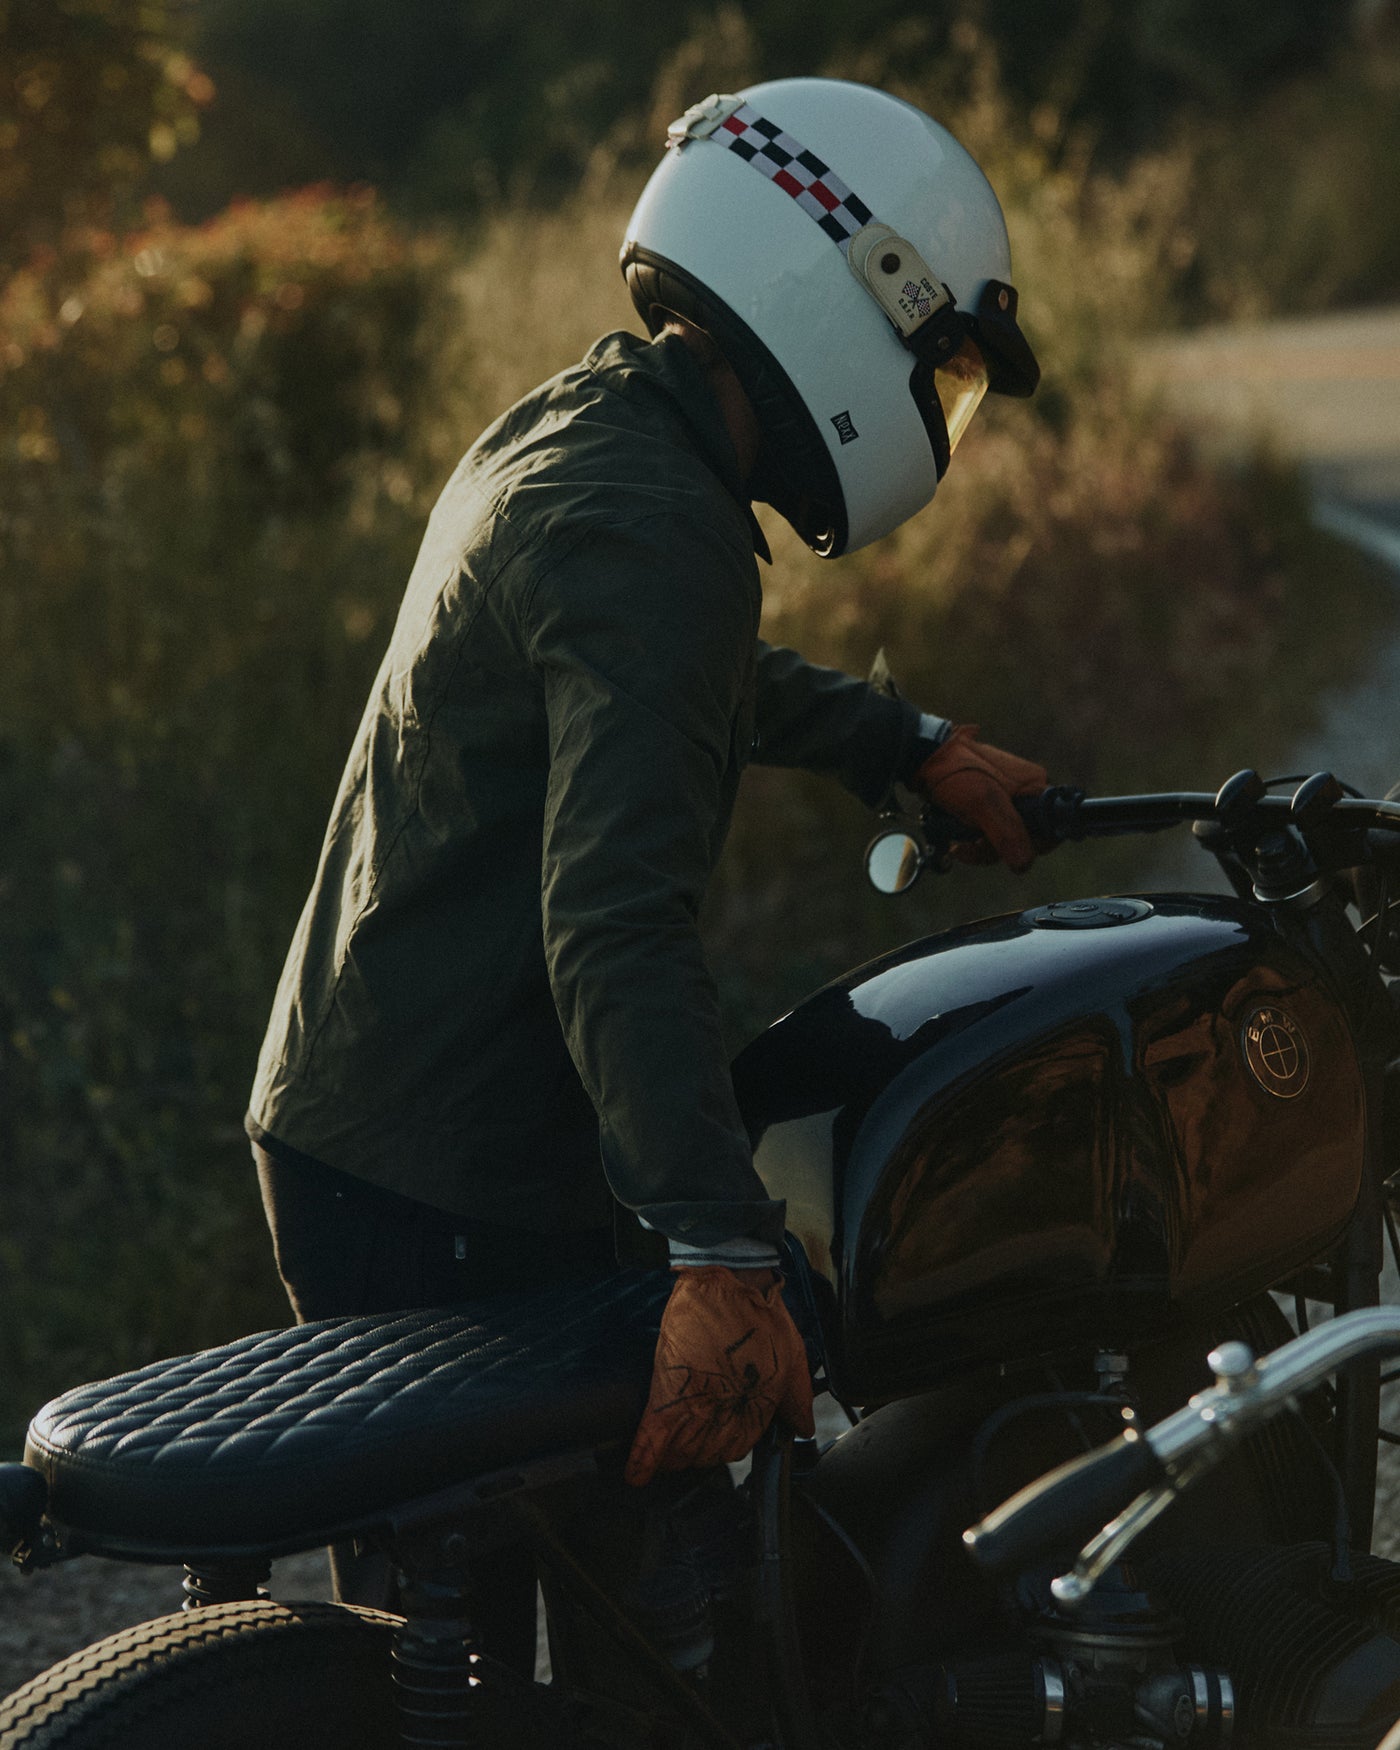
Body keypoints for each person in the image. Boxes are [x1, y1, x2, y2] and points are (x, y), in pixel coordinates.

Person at [247, 76, 1046, 1532]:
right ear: (842, 288)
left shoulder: (590, 428)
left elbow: (673, 669)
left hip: (357, 1119)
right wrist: (719, 1252)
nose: (932, 413)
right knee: (618, 1611)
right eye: (936, 370)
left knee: (480, 1610)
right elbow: (613, 923)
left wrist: (901, 739)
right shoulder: (662, 526)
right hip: (448, 1175)